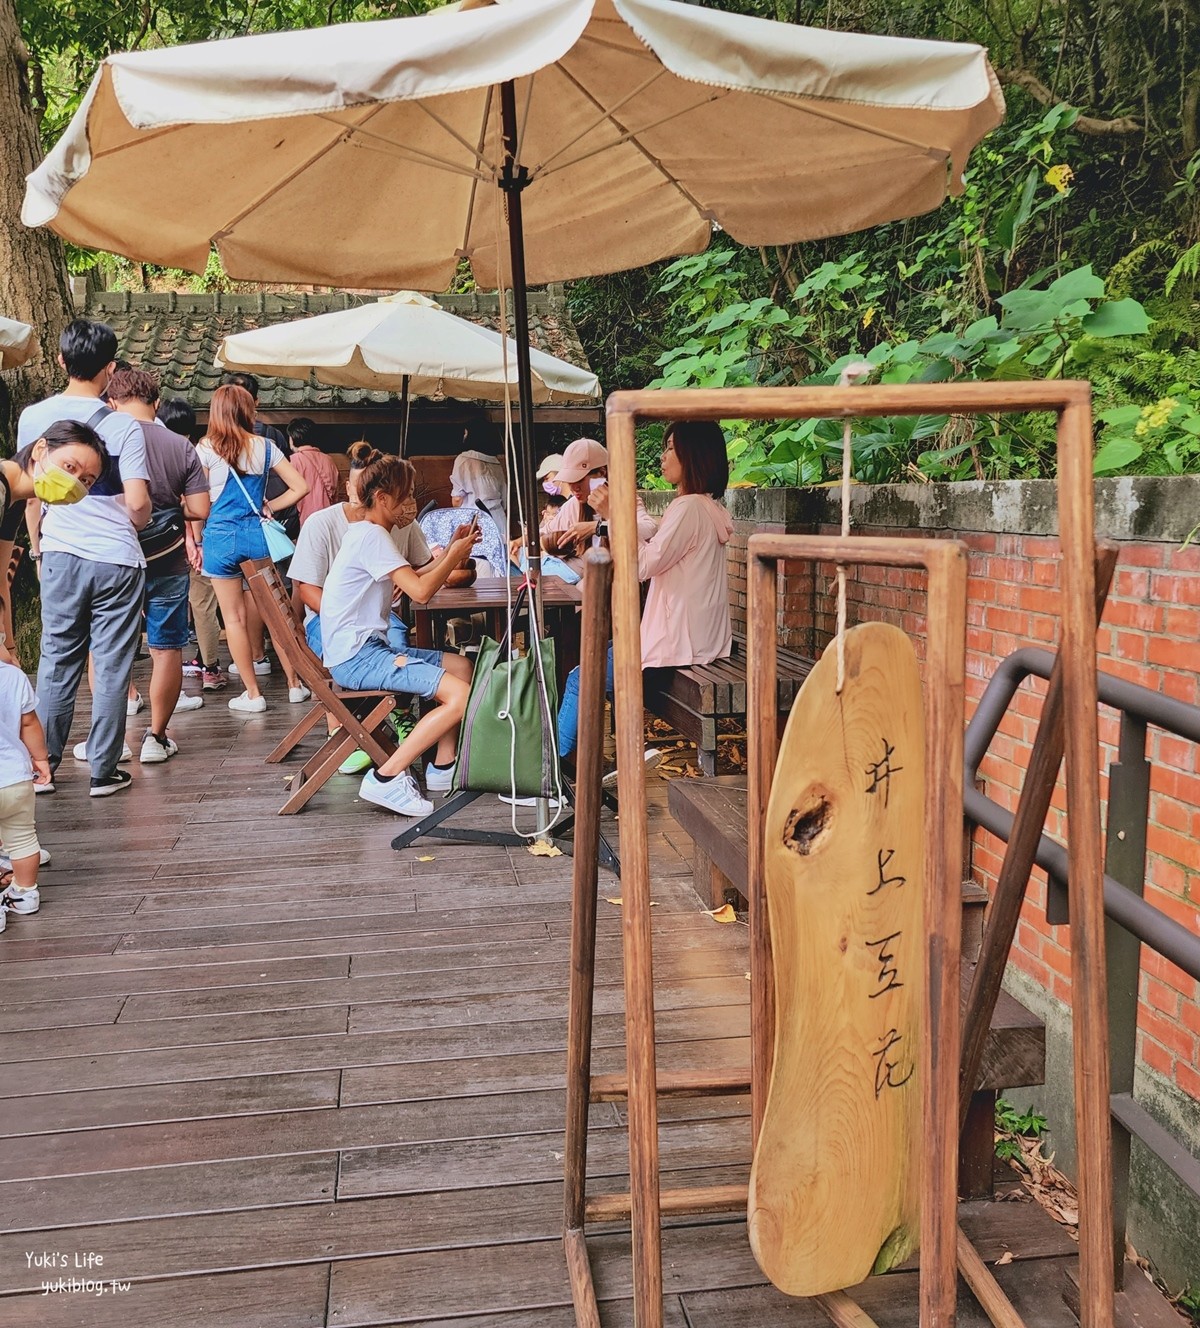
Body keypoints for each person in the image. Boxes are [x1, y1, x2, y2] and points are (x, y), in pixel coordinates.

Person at [18, 319, 152, 797]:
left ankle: (44, 764)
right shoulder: (125, 427)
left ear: (60, 360)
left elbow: (30, 495)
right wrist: (138, 519)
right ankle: (103, 770)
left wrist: (37, 546)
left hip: (58, 551)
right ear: (111, 369)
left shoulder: (33, 418)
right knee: (113, 663)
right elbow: (137, 503)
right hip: (115, 557)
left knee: (57, 658)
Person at [289, 443, 474, 775]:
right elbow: (419, 591)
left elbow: (413, 575)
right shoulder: (372, 537)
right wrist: (452, 555)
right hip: (358, 657)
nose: (411, 504)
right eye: (406, 496)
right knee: (460, 696)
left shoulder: (367, 532)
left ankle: (443, 765)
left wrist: (450, 552)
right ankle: (387, 775)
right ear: (383, 499)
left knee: (460, 666)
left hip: (363, 650)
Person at [556, 420, 733, 763]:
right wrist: (606, 521)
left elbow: (641, 566)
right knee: (598, 656)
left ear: (692, 454)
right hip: (701, 637)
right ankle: (578, 759)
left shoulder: (688, 508)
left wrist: (612, 514)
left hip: (680, 643)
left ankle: (555, 771)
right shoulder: (706, 506)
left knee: (582, 677)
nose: (663, 456)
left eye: (670, 448)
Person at [106, 369, 211, 763]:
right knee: (166, 648)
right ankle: (156, 737)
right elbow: (200, 508)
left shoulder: (101, 440)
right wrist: (170, 507)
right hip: (167, 556)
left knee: (107, 647)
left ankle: (109, 741)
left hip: (115, 556)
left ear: (113, 402)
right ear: (156, 401)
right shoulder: (179, 445)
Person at [195, 384, 308, 713]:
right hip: (255, 534)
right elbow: (301, 487)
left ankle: (253, 694)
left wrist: (195, 538)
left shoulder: (204, 448)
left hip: (219, 537)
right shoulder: (265, 446)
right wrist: (270, 505)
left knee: (234, 618)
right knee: (276, 613)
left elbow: (199, 505)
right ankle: (295, 684)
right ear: (248, 411)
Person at [510, 437, 657, 580]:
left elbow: (649, 528)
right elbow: (546, 531)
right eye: (570, 480)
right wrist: (518, 542)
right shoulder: (574, 504)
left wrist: (598, 527)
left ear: (601, 473)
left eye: (579, 479)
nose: (574, 487)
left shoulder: (624, 498)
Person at [159, 398, 227, 692]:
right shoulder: (191, 452)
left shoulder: (152, 449)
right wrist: (196, 541)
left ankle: (170, 677)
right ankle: (210, 667)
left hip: (160, 541)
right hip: (197, 538)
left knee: (167, 606)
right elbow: (196, 505)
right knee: (203, 605)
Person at [0, 642, 51, 934]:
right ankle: (25, 893)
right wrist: (41, 758)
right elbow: (29, 722)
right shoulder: (13, 676)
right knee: (22, 839)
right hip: (15, 778)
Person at [450, 419, 507, 535]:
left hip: (474, 519)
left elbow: (457, 499)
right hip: (498, 518)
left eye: (466, 433)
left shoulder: (463, 460)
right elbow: (504, 497)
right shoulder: (496, 462)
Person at [286, 417, 339, 524]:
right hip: (328, 519)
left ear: (292, 438)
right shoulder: (328, 460)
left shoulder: (293, 461)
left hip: (305, 520)